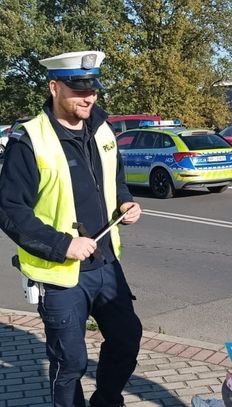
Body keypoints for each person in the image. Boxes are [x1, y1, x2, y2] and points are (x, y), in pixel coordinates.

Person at [0, 51, 143, 407]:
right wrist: (63, 244)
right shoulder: (30, 139)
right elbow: (10, 209)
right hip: (60, 274)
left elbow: (117, 180)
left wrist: (125, 203)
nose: (88, 97)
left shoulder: (102, 128)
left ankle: (106, 401)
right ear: (54, 88)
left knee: (127, 338)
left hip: (107, 264)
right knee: (71, 363)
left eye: (92, 88)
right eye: (78, 89)